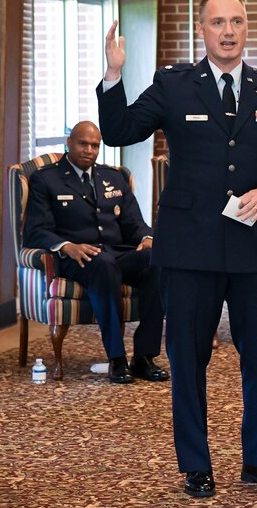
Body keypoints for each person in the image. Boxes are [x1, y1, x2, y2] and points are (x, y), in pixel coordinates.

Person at [97, 0, 257, 499]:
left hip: (252, 246)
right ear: (202, 29)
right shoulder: (174, 85)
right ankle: (196, 464)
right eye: (218, 22)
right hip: (189, 248)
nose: (228, 31)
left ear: (247, 27)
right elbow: (120, 130)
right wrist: (113, 74)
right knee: (189, 359)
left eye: (236, 21)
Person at [22, 121, 168, 384]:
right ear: (69, 143)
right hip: (75, 258)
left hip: (114, 253)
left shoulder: (114, 177)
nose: (89, 150)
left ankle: (144, 357)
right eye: (83, 143)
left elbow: (134, 223)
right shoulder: (46, 179)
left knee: (156, 261)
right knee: (102, 264)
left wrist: (147, 238)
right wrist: (66, 246)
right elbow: (35, 231)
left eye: (95, 145)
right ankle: (117, 359)